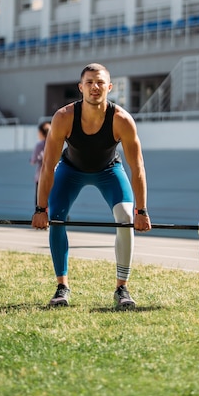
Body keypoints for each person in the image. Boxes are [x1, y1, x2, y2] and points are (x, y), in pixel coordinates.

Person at [32, 62, 151, 310]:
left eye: (100, 83)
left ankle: (122, 289)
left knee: (125, 216)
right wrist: (40, 208)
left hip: (109, 171)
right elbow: (48, 167)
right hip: (70, 171)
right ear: (81, 88)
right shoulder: (63, 117)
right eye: (89, 83)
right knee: (56, 217)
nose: (94, 87)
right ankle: (61, 287)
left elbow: (137, 168)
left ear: (109, 87)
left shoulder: (122, 120)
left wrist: (142, 211)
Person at [30, 120, 51, 210]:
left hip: (41, 177)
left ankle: (41, 220)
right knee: (54, 201)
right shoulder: (56, 142)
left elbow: (33, 161)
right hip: (55, 177)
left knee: (40, 204)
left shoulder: (39, 145)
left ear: (41, 133)